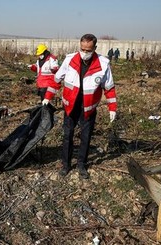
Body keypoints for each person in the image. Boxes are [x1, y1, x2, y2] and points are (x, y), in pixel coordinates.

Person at [42, 34, 117, 179]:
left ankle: (82, 165)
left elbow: (109, 88)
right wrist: (47, 97)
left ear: (95, 48)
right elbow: (56, 80)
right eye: (82, 49)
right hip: (71, 106)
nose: (85, 53)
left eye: (88, 50)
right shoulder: (70, 60)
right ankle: (66, 165)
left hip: (89, 108)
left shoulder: (103, 64)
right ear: (80, 46)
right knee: (67, 135)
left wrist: (112, 108)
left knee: (86, 137)